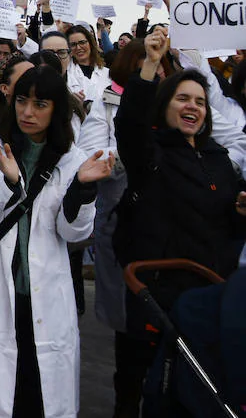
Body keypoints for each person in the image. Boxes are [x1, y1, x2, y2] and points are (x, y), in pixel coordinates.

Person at [0, 65, 115, 418]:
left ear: (57, 108)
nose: (28, 112)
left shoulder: (70, 158)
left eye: (40, 104)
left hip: (44, 293)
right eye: (22, 100)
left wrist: (83, 190)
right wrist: (7, 184)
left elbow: (73, 233)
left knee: (35, 395)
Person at [111, 30, 246, 417]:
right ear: (165, 106)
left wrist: (239, 213)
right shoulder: (149, 153)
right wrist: (152, 63)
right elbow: (130, 122)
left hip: (207, 300)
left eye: (200, 102)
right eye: (183, 98)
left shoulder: (218, 157)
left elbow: (227, 227)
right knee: (143, 389)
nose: (193, 107)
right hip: (156, 298)